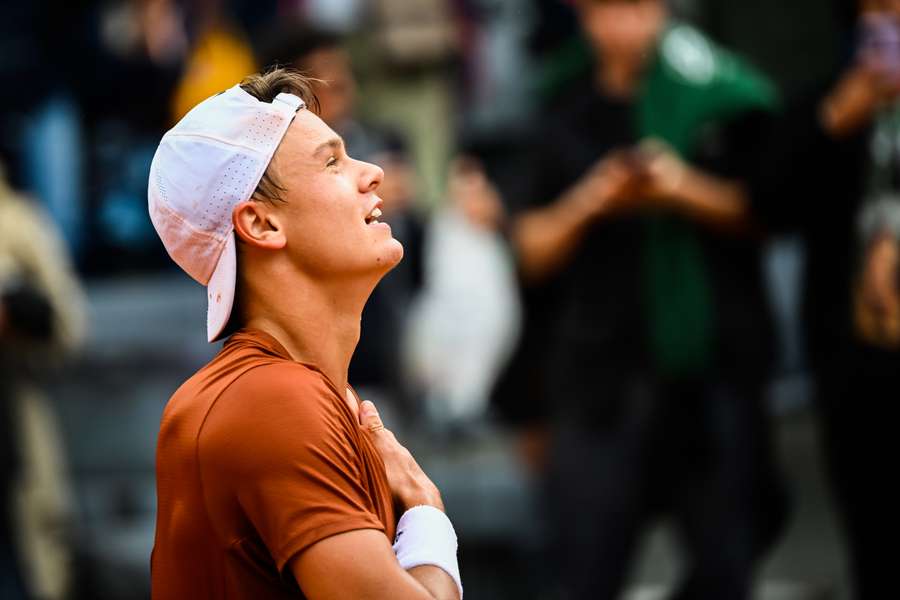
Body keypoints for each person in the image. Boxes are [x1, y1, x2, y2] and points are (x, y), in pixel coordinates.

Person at [508, 1, 787, 598]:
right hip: (599, 380)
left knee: (724, 562)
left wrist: (681, 188)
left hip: (710, 371)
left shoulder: (719, 91)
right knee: (584, 567)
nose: (621, 25)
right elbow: (529, 248)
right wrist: (591, 200)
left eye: (636, 7)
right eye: (606, 9)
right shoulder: (562, 98)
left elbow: (769, 210)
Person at [148, 68, 461, 599]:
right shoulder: (272, 399)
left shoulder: (295, 393)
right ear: (262, 225)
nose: (374, 172)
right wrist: (428, 516)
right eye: (333, 162)